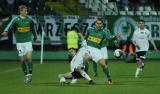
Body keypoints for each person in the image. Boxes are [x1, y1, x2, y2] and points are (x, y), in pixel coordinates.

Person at [0, 5, 37, 84]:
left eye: (27, 10)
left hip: (28, 41)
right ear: (20, 11)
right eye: (25, 11)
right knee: (22, 60)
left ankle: (30, 74)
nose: (26, 12)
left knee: (29, 57)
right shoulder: (15, 20)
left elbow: (33, 29)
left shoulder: (30, 20)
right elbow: (9, 25)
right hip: (19, 43)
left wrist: (35, 36)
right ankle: (26, 75)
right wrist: (6, 31)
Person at [81, 17, 120, 85]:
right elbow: (85, 37)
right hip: (88, 48)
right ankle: (85, 75)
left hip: (96, 50)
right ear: (95, 24)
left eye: (100, 23)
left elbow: (108, 38)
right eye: (97, 23)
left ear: (102, 24)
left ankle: (109, 79)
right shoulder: (90, 29)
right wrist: (83, 43)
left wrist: (115, 37)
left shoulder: (104, 32)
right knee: (85, 59)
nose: (98, 24)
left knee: (104, 65)